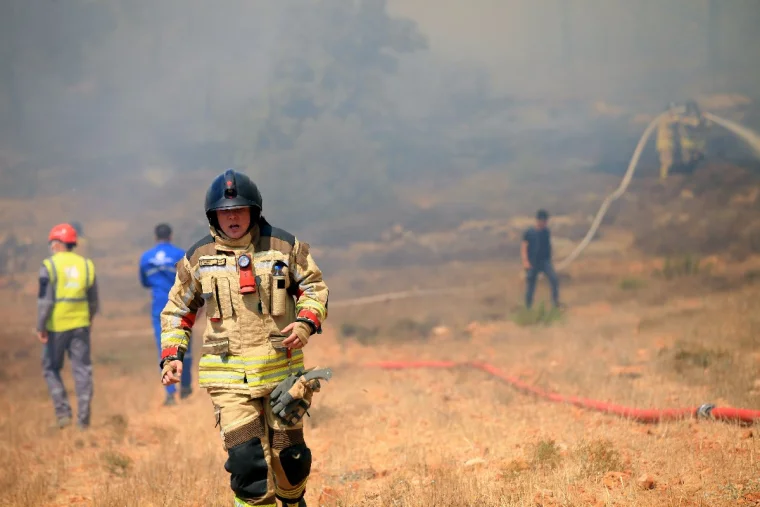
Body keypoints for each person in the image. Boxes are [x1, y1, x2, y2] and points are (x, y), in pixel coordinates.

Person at [158, 169, 330, 507]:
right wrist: (172, 355)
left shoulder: (284, 246)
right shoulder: (198, 258)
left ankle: (293, 502)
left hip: (283, 373)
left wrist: (305, 324)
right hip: (229, 379)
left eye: (239, 210)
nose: (232, 217)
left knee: (290, 461)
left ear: (254, 211)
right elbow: (178, 310)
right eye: (225, 211)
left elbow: (314, 288)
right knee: (247, 463)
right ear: (214, 216)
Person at [37, 223, 99, 430]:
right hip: (81, 325)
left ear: (56, 243)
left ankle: (63, 414)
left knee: (50, 368)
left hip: (56, 327)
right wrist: (88, 320)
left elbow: (45, 302)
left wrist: (40, 326)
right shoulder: (86, 265)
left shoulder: (49, 265)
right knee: (82, 371)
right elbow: (93, 301)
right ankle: (83, 421)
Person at [139, 223, 192, 406]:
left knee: (165, 350)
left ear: (155, 237)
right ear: (171, 235)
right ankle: (185, 387)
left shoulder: (146, 257)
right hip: (180, 306)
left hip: (158, 309)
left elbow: (145, 282)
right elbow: (189, 282)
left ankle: (170, 393)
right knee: (184, 347)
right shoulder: (180, 254)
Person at [521, 209, 560, 309]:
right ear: (539, 220)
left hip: (545, 261)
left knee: (554, 279)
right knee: (531, 286)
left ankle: (555, 304)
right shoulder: (529, 232)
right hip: (532, 262)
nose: (545, 223)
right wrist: (525, 261)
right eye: (543, 221)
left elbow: (548, 246)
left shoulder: (546, 232)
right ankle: (528, 308)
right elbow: (524, 247)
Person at [656, 102, 683, 180]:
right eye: (673, 110)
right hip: (664, 144)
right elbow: (670, 122)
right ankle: (663, 178)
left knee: (668, 161)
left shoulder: (668, 118)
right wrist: (677, 119)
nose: (674, 111)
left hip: (668, 144)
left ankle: (664, 177)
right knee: (666, 161)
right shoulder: (664, 118)